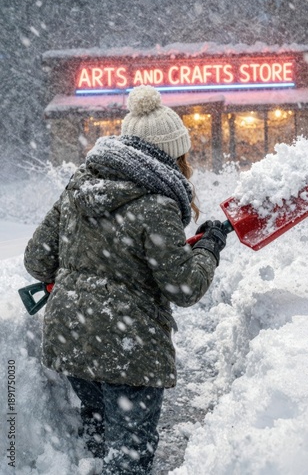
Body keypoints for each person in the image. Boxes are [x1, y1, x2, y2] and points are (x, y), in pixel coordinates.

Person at [24, 85, 228, 475]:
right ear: (170, 153)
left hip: (72, 339)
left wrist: (85, 267)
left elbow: (37, 260)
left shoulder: (80, 186)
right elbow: (184, 287)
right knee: (129, 460)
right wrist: (208, 249)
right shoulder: (157, 204)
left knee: (97, 449)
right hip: (128, 349)